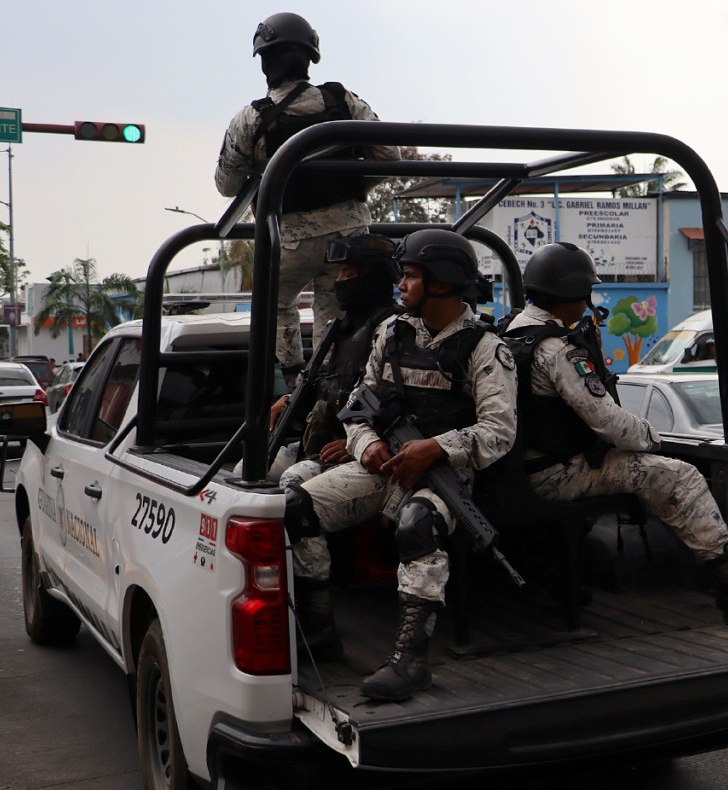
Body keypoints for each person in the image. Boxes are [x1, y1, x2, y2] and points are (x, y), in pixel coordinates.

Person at [500, 242, 728, 625]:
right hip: (556, 474)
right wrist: (654, 441)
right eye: (586, 294)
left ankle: (558, 583)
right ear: (569, 293)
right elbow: (609, 423)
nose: (588, 303)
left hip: (522, 469)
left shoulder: (510, 333)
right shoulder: (558, 351)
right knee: (680, 477)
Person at [283, 229, 517, 701]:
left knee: (417, 524)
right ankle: (321, 625)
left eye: (411, 276)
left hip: (447, 476)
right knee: (296, 505)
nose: (401, 285)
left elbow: (499, 431)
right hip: (384, 464)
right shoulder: (392, 332)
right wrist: (365, 442)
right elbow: (358, 401)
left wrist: (436, 447)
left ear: (445, 282)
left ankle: (410, 660)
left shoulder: (485, 348)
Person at [215, 12, 401, 388]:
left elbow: (226, 184)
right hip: (352, 237)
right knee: (334, 313)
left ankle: (295, 380)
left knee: (274, 303)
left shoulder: (251, 119)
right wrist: (355, 187)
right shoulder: (344, 101)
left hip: (291, 241)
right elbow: (389, 157)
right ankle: (331, 384)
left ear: (265, 61)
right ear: (311, 57)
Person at [237, 233, 402, 485]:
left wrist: (355, 443)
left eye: (347, 272)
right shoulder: (342, 328)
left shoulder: (392, 331)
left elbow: (395, 402)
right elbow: (331, 387)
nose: (339, 281)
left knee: (293, 483)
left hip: (360, 447)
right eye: (338, 273)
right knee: (245, 470)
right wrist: (290, 402)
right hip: (322, 442)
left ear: (372, 277)